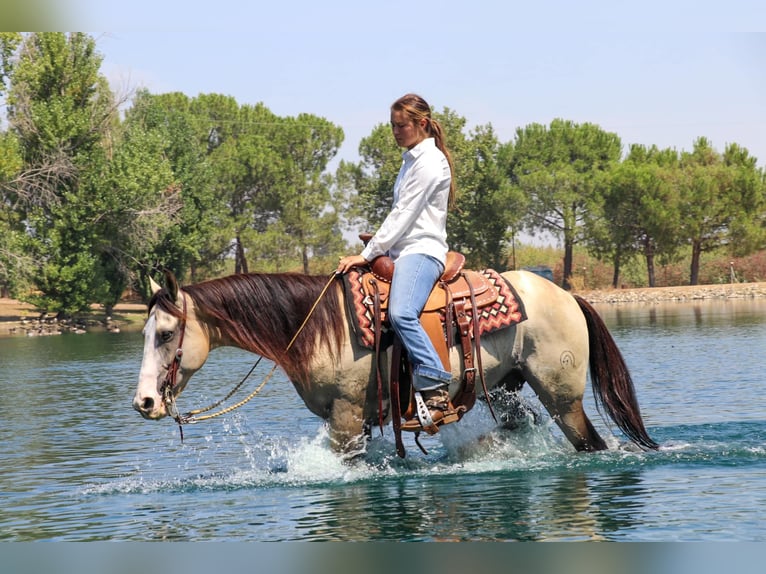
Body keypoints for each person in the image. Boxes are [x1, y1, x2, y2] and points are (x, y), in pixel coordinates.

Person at [336, 93, 458, 434]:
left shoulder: (430, 162)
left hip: (421, 251)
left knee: (401, 312)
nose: (395, 132)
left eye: (401, 125)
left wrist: (368, 252)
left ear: (421, 123)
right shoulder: (410, 160)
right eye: (392, 125)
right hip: (401, 250)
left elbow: (404, 215)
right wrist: (378, 247)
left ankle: (435, 386)